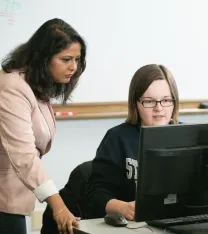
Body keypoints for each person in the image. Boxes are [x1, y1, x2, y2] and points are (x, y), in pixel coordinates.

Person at [0, 18, 86, 234]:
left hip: (12, 197)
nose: (73, 67)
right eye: (66, 59)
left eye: (77, 59)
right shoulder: (12, 87)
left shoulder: (34, 85)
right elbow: (24, 155)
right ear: (43, 58)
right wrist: (58, 206)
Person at [86, 64, 180, 220]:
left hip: (179, 221)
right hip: (133, 226)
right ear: (136, 103)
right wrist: (122, 207)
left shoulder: (190, 136)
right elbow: (95, 194)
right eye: (149, 101)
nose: (159, 108)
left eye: (166, 100)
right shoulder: (117, 138)